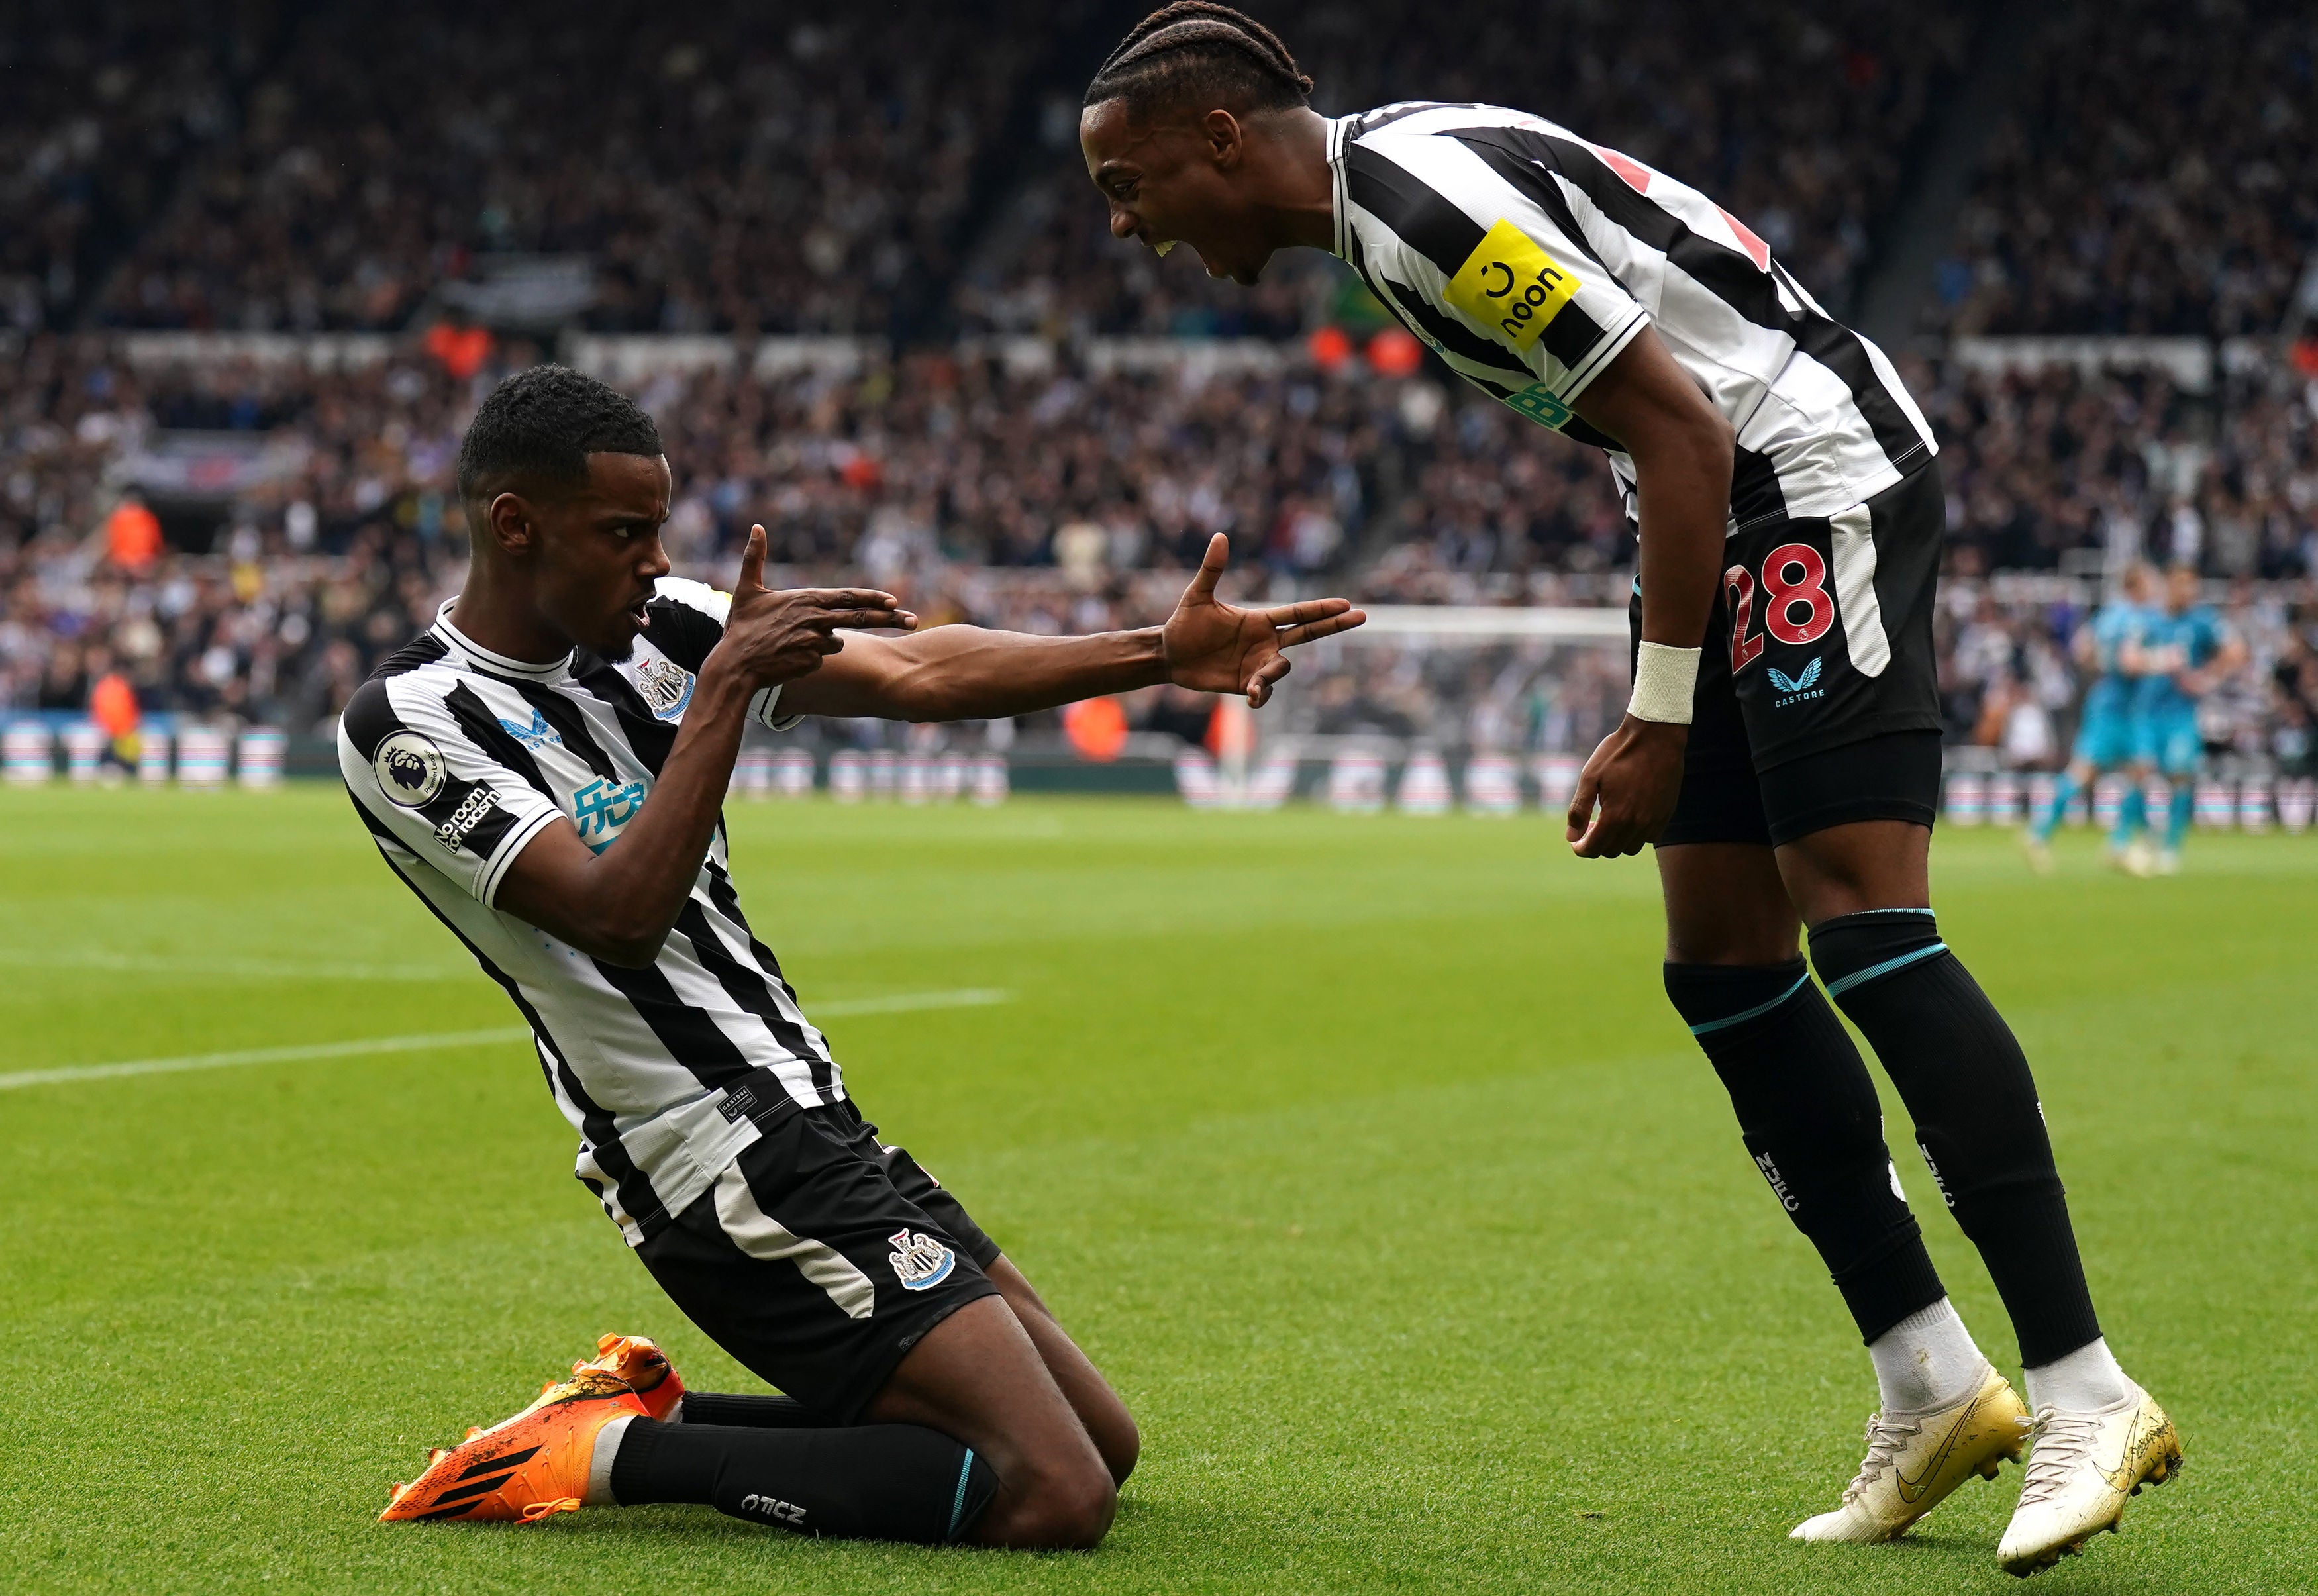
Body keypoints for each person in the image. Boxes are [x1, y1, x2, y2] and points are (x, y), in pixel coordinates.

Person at [1076, 5, 2179, 1574]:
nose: (1131, 228)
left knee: (1866, 921)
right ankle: (1931, 1380)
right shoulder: (1383, 214)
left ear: (1219, 139)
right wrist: (1660, 699)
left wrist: (1656, 716)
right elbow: (1661, 437)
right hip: (1729, 509)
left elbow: (1684, 422)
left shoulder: (1417, 203)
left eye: (1130, 185)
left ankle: (2085, 1387)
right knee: (1724, 961)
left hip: (1812, 480)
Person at [340, 364, 1364, 1547]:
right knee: (1052, 1493)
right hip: (706, 1158)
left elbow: (921, 670)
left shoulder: (658, 628)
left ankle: (633, 1418)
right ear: (514, 525)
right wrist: (727, 684)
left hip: (809, 1113)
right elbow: (620, 913)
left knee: (1104, 1445)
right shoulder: (410, 723)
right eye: (624, 533)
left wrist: (1152, 654)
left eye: (660, 530)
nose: (656, 562)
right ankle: (613, 1456)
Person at [2023, 563, 2156, 873]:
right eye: (2151, 584)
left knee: (2137, 771)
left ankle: (2117, 844)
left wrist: (2101, 665)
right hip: (2119, 707)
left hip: (2107, 701)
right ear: (2136, 586)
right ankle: (2047, 835)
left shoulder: (2108, 616)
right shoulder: (2134, 619)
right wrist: (2163, 660)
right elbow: (2130, 663)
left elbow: (2082, 649)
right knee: (2087, 774)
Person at [2121, 565, 2244, 874]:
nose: (2187, 593)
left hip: (2181, 714)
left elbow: (2236, 651)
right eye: (2181, 587)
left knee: (2179, 776)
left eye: (2192, 588)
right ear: (2169, 587)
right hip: (2146, 711)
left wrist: (2207, 678)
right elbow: (2129, 659)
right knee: (2139, 774)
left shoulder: (2204, 621)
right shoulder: (2149, 620)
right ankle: (2148, 837)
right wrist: (2160, 661)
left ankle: (2170, 849)